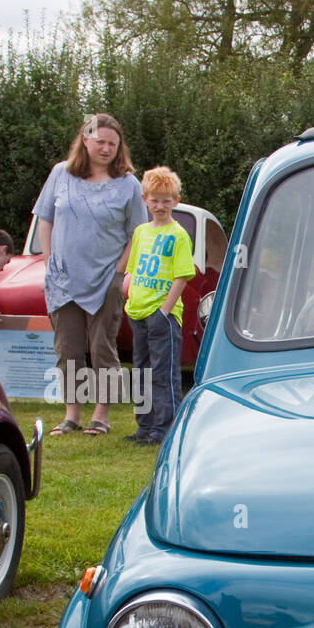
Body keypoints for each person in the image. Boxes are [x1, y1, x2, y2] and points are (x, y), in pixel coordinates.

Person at [35, 113, 148, 435]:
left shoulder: (128, 185)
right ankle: (72, 416)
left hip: (104, 281)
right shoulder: (60, 174)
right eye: (100, 141)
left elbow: (137, 234)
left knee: (102, 349)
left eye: (113, 144)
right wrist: (49, 261)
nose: (106, 148)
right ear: (85, 140)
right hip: (63, 280)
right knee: (68, 349)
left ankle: (101, 416)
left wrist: (118, 272)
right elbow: (45, 219)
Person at [120, 166, 195, 446]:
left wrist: (164, 311)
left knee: (163, 373)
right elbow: (132, 270)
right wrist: (129, 300)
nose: (160, 206)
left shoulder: (178, 235)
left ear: (176, 201)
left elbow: (182, 275)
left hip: (161, 315)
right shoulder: (140, 233)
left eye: (166, 200)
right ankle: (145, 425)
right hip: (137, 312)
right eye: (155, 199)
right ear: (145, 200)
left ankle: (164, 428)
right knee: (141, 370)